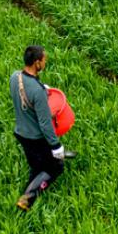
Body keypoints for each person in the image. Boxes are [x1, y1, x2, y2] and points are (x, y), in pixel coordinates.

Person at [9, 45, 74, 212]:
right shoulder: (38, 93)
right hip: (35, 138)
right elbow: (45, 124)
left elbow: (25, 90)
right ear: (37, 62)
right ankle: (27, 199)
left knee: (37, 167)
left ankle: (25, 198)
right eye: (44, 60)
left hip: (20, 133)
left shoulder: (15, 77)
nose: (45, 63)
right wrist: (56, 146)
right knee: (55, 167)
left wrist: (40, 86)